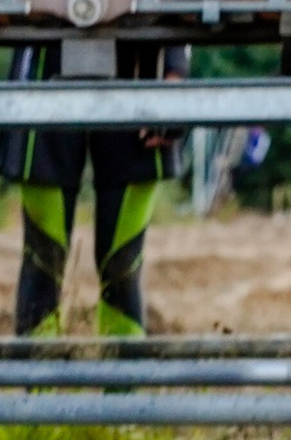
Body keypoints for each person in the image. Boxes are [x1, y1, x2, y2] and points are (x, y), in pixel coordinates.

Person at [12, 44, 185, 337]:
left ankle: (122, 367)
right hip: (45, 53)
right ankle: (38, 366)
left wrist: (175, 70)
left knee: (122, 264)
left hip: (140, 60)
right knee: (44, 257)